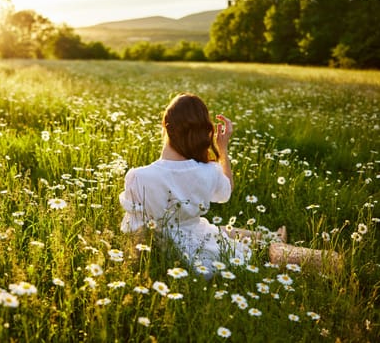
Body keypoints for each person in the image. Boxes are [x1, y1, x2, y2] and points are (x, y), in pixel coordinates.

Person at [118, 93, 308, 278]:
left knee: (213, 229)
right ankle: (274, 243)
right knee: (214, 231)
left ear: (165, 126)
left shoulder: (138, 177)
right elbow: (226, 191)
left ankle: (271, 238)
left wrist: (137, 267)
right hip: (199, 248)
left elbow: (134, 230)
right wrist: (222, 149)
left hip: (162, 251)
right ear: (203, 132)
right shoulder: (208, 171)